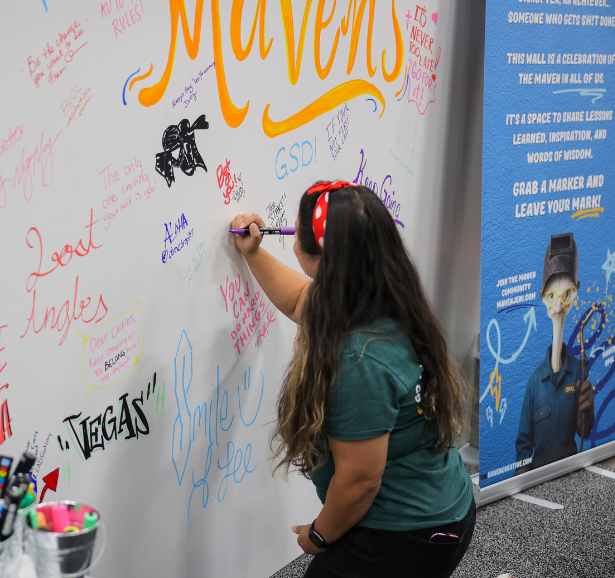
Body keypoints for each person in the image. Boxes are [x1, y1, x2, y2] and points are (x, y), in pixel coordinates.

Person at [230, 181, 475, 578]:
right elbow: (299, 300)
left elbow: (360, 481)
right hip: (441, 507)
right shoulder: (381, 295)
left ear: (318, 256)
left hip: (412, 532)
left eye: (296, 231)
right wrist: (253, 253)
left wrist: (319, 535)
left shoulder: (358, 359)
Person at [515, 233, 594, 474]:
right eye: (552, 296)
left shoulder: (578, 371)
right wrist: (520, 480)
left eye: (566, 294)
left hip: (572, 469)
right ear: (543, 297)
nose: (559, 305)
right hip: (538, 473)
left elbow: (583, 432)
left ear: (575, 291)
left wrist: (587, 411)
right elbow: (524, 445)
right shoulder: (535, 382)